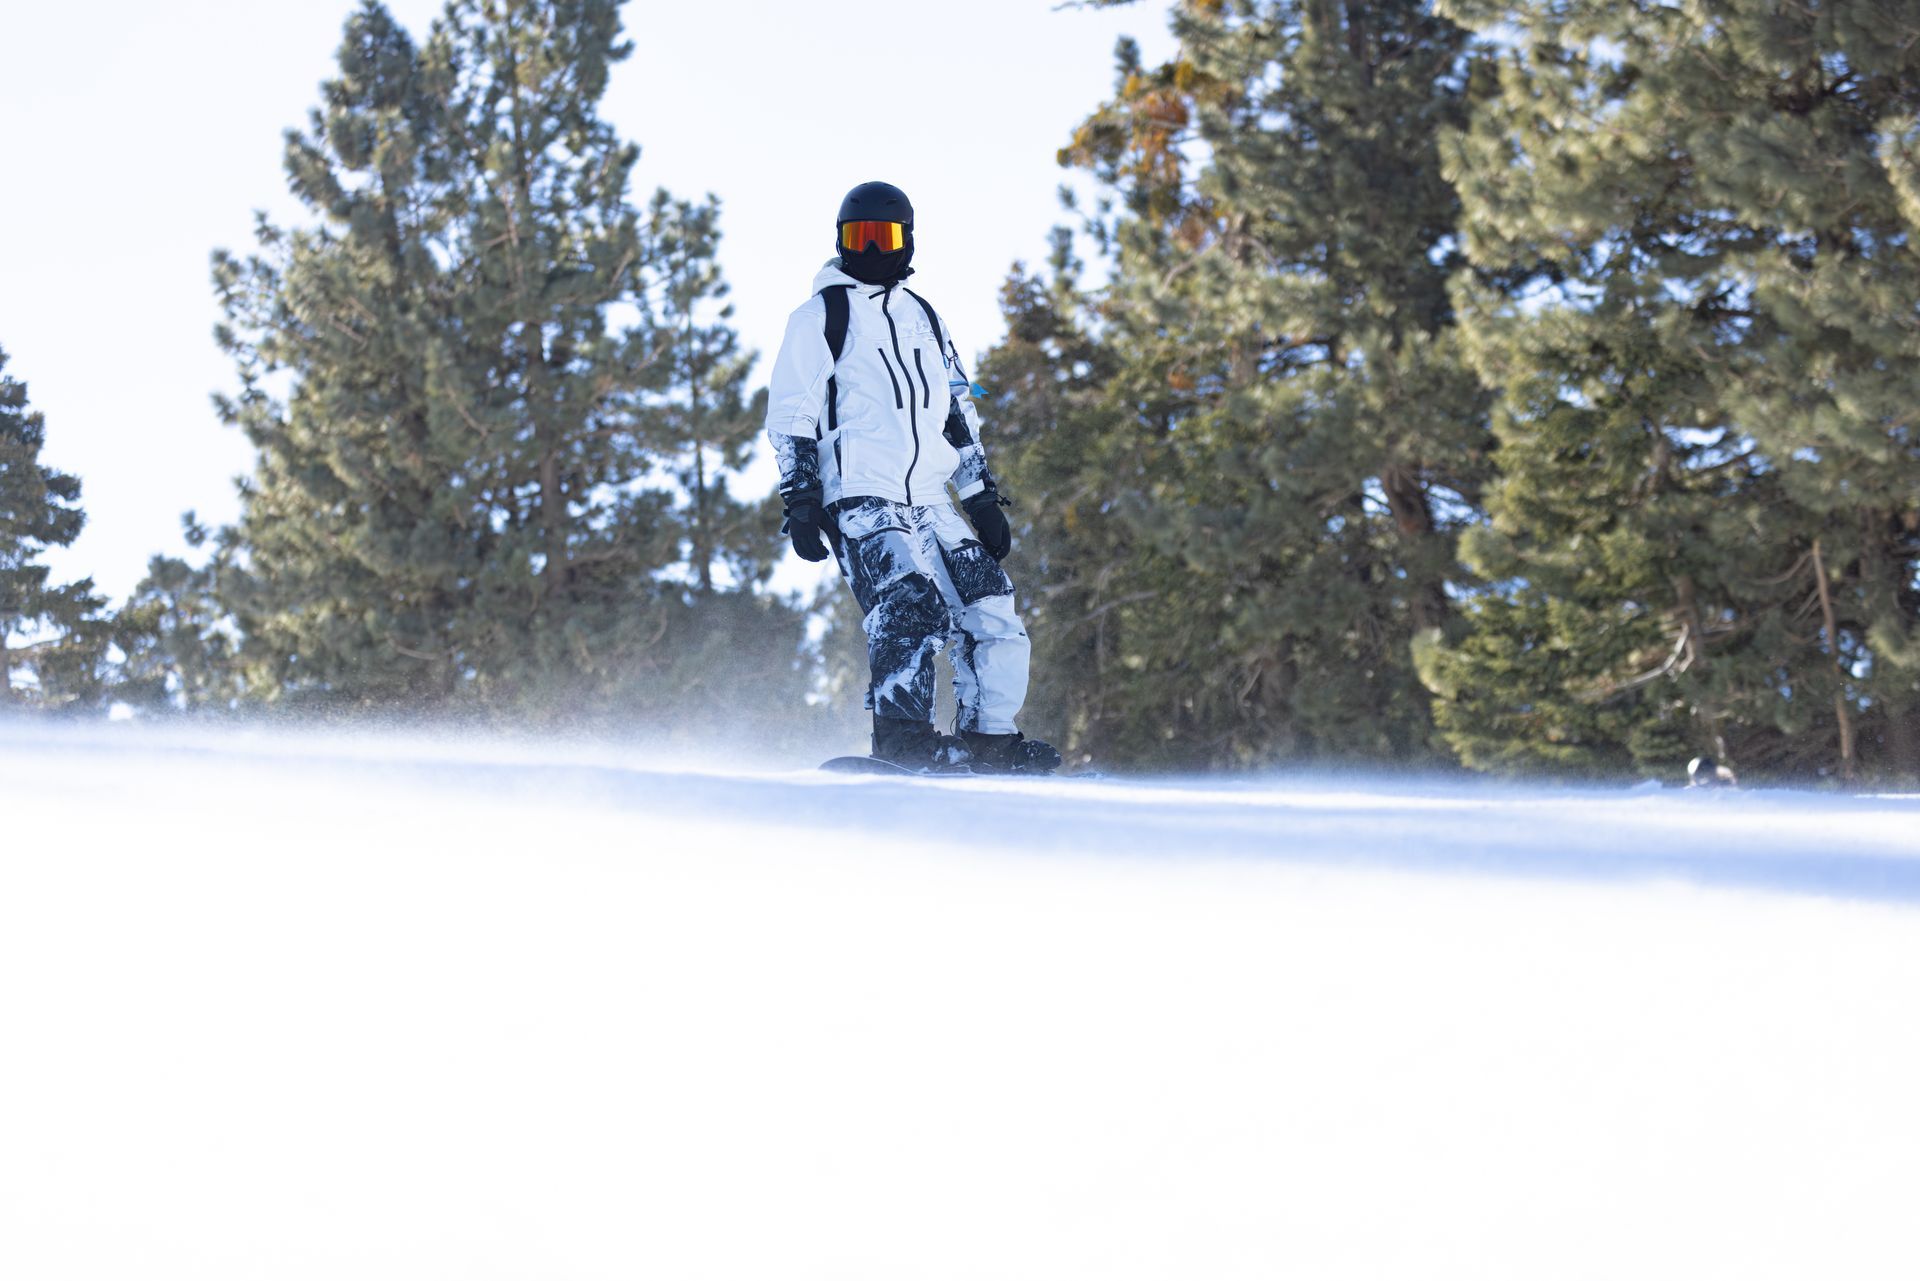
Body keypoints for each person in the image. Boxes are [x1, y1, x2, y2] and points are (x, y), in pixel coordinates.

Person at [765, 181, 1062, 774]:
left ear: (907, 242)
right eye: (860, 238)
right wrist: (801, 497)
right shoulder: (821, 316)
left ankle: (990, 740)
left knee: (992, 607)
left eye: (887, 237)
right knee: (909, 604)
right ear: (842, 242)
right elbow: (791, 412)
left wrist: (979, 497)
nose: (874, 251)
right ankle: (904, 738)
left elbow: (957, 408)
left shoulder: (924, 316)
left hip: (931, 496)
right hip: (860, 495)